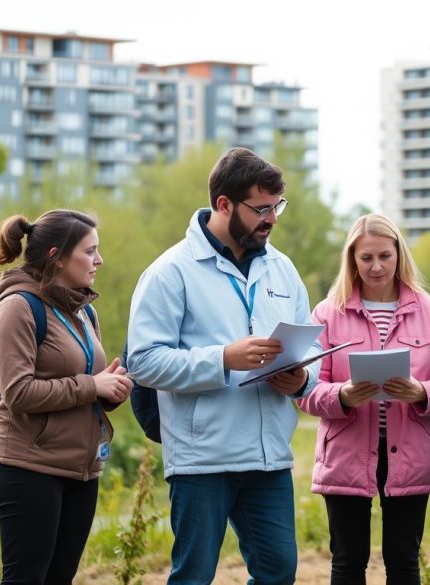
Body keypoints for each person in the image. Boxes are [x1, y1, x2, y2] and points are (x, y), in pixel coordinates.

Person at [126, 147, 318, 585]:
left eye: (277, 207)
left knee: (278, 573)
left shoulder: (282, 270)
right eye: (261, 208)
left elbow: (309, 348)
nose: (271, 219)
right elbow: (143, 361)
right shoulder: (169, 272)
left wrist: (301, 379)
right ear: (224, 204)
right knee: (193, 576)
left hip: (268, 458)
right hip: (202, 459)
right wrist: (223, 360)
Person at [299, 213, 430, 584]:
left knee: (404, 561)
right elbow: (305, 389)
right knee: (347, 561)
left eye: (384, 256)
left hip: (411, 454)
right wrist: (341, 395)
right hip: (345, 452)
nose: (376, 267)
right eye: (366, 258)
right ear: (352, 260)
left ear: (398, 255)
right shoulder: (327, 313)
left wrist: (422, 392)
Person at [0, 210, 132, 583]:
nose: (99, 260)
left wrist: (109, 389)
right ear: (57, 256)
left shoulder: (85, 310)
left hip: (80, 469)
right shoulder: (17, 307)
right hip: (26, 468)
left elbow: (86, 384)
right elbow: (17, 392)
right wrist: (91, 386)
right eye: (90, 251)